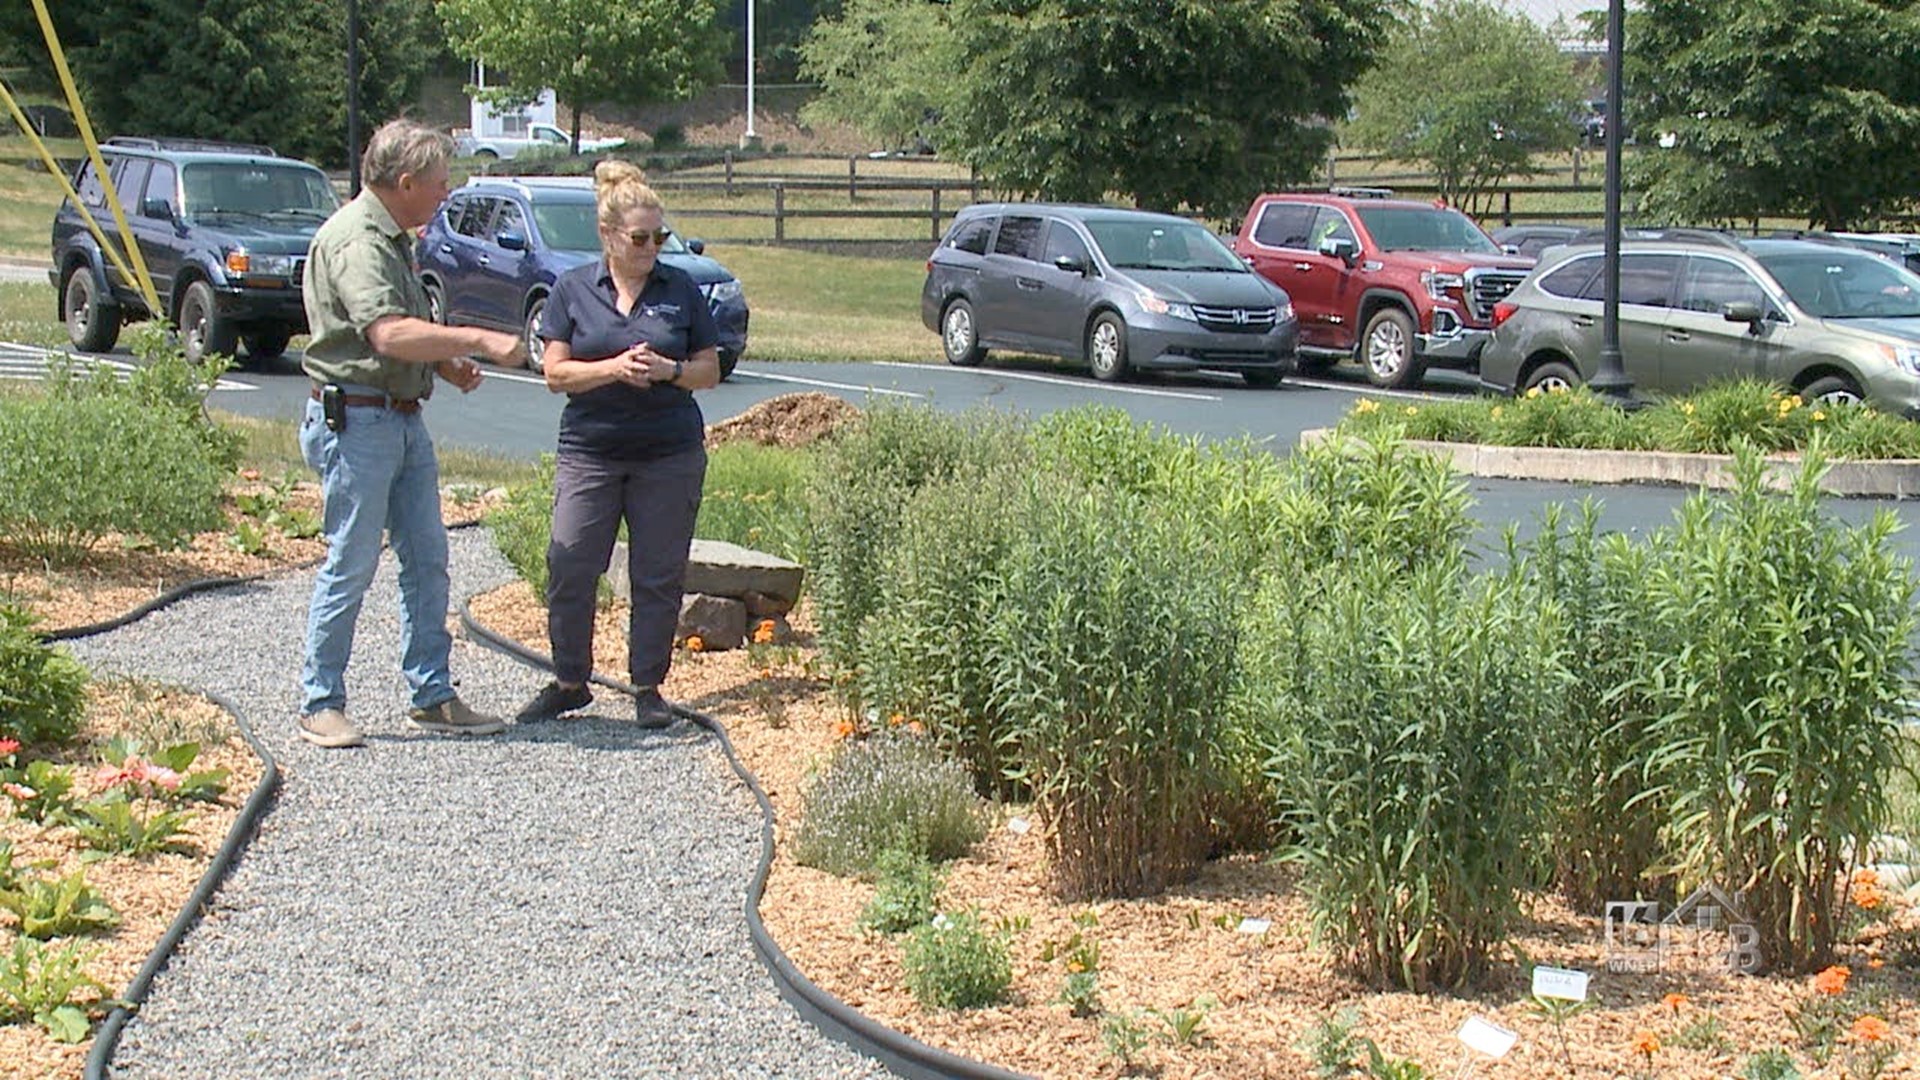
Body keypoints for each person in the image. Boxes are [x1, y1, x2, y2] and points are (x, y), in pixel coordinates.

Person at [297, 118, 526, 749]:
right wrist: (474, 338)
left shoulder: (394, 236)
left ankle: (433, 695)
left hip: (397, 415)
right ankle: (320, 702)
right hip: (357, 423)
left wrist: (442, 364)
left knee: (428, 559)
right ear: (404, 182)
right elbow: (387, 334)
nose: (445, 193)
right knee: (352, 561)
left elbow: (398, 334)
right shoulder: (357, 241)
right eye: (439, 182)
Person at [514, 160, 721, 727]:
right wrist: (611, 368)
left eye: (660, 236)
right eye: (640, 237)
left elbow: (710, 369)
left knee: (658, 572)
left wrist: (668, 370)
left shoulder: (681, 289)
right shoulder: (572, 289)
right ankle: (570, 679)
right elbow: (555, 373)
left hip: (668, 451)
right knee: (571, 559)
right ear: (607, 236)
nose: (652, 246)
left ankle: (648, 687)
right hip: (592, 449)